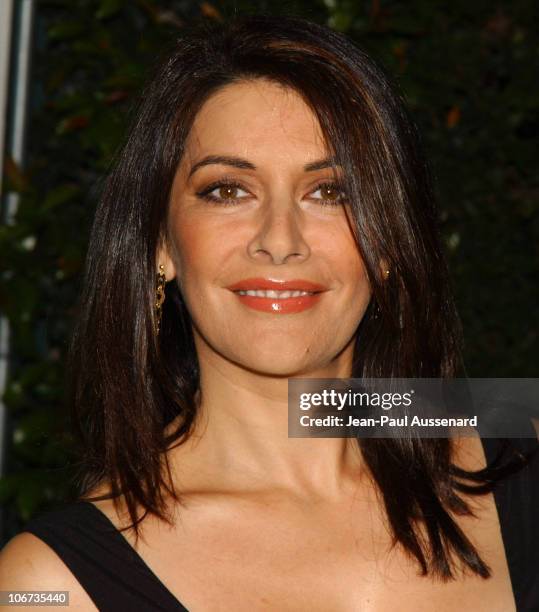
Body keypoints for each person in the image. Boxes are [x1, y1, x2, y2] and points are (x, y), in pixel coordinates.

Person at [0, 14, 537, 612]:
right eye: (228, 190)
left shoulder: (513, 441)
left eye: (330, 192)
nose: (279, 240)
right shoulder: (44, 585)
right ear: (160, 243)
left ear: (388, 242)